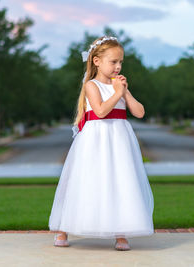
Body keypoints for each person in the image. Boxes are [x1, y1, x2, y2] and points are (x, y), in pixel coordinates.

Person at [48, 35, 154, 251]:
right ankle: (64, 228)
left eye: (121, 62)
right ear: (97, 61)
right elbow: (101, 111)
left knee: (121, 180)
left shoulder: (120, 86)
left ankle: (121, 231)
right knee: (85, 179)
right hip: (96, 139)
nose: (118, 66)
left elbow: (140, 112)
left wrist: (125, 92)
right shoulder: (91, 85)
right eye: (113, 62)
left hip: (119, 139)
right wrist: (117, 93)